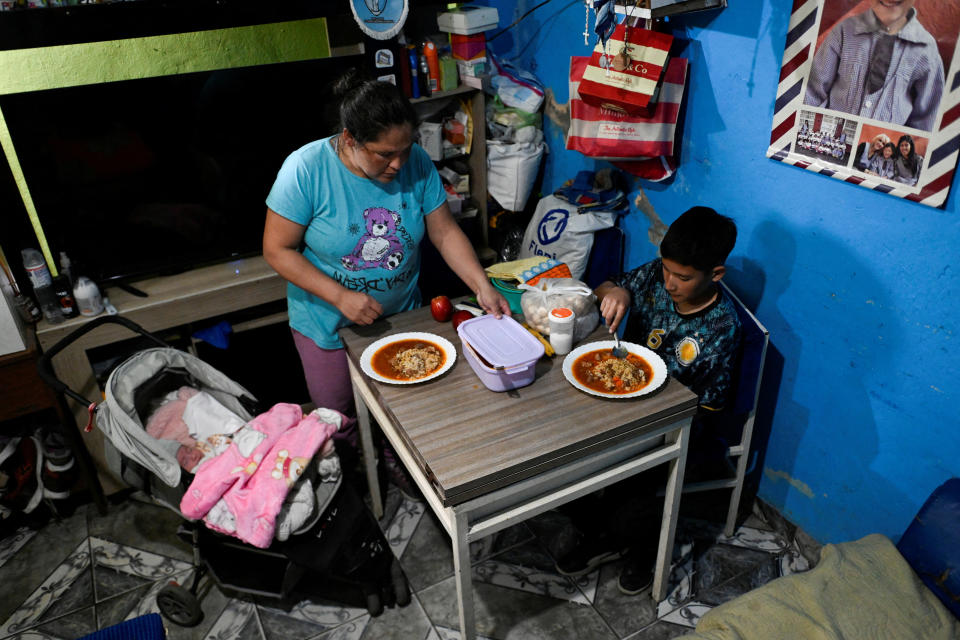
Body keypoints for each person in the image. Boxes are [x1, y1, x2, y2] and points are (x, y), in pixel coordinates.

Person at [262, 71, 510, 497]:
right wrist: (340, 296)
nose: (398, 164)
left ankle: (397, 463)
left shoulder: (413, 163)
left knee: (405, 405)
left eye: (404, 149)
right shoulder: (305, 170)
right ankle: (359, 477)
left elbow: (444, 231)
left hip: (400, 314)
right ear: (349, 139)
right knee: (339, 417)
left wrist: (480, 283)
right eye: (383, 154)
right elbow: (277, 250)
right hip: (327, 322)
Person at [555, 206, 741, 595]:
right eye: (667, 270)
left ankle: (633, 546)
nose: (670, 283)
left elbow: (706, 408)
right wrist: (616, 291)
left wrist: (646, 419)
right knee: (561, 464)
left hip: (679, 425)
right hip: (624, 403)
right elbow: (608, 286)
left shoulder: (722, 327)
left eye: (683, 277)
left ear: (715, 275)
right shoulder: (655, 277)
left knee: (628, 491)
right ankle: (603, 530)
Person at [804, 0, 944, 132]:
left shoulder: (926, 50)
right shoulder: (844, 31)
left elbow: (926, 118)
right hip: (830, 138)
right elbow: (813, 91)